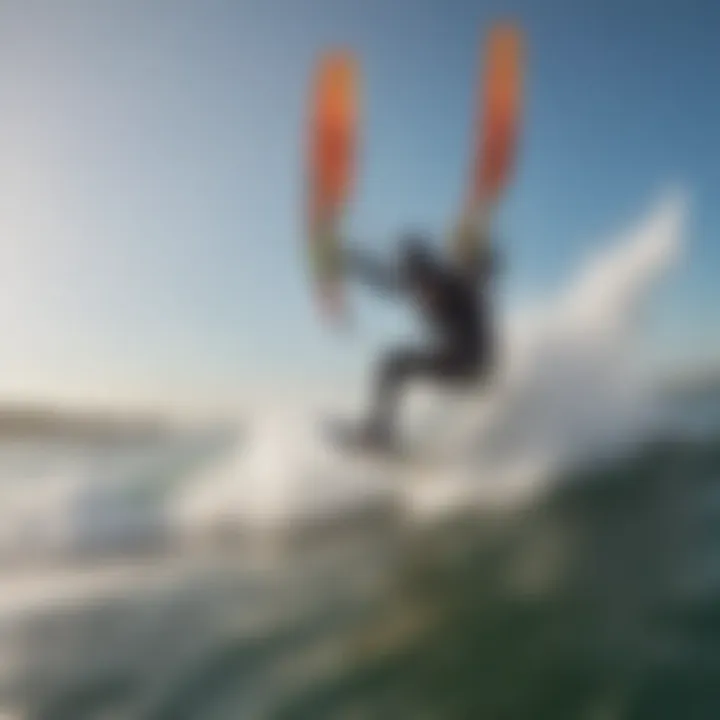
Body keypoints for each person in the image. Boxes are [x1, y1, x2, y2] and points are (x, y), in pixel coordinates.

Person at [342, 229, 499, 449]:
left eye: (422, 277)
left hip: (474, 362)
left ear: (431, 267)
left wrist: (483, 258)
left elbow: (481, 272)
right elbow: (385, 280)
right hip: (454, 362)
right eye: (414, 279)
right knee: (393, 366)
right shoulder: (417, 284)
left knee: (395, 364)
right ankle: (380, 432)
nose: (423, 291)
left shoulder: (453, 282)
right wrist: (352, 260)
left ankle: (377, 434)